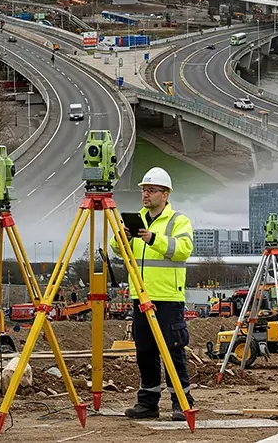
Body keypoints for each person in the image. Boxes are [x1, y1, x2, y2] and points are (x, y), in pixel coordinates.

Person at [112, 167, 195, 421]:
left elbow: (183, 250)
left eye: (151, 190)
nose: (145, 195)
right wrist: (121, 238)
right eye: (143, 190)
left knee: (173, 350)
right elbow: (118, 250)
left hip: (168, 298)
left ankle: (182, 402)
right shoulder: (136, 218)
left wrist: (153, 238)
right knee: (145, 352)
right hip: (140, 296)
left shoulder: (178, 220)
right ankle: (148, 403)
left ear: (165, 194)